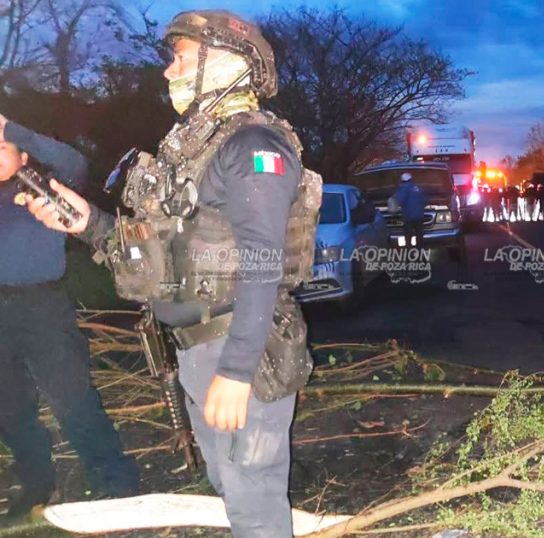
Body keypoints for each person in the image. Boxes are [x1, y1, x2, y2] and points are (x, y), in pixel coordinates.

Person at [26, 10, 320, 537]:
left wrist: (236, 370)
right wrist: (86, 221)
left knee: (255, 500)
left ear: (225, 63)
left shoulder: (254, 146)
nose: (168, 71)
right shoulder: (196, 149)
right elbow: (161, 247)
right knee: (229, 483)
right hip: (194, 348)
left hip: (242, 350)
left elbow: (262, 262)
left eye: (180, 57)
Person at [0, 113, 139, 521]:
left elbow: (74, 162)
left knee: (72, 397)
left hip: (42, 306)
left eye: (1, 150)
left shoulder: (44, 189)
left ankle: (115, 481)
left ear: (24, 156)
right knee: (9, 405)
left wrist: (8, 127)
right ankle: (36, 484)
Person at [392, 171, 427, 247]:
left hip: (408, 216)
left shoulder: (403, 188)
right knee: (419, 234)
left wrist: (395, 197)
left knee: (408, 235)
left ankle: (409, 253)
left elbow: (399, 201)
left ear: (402, 180)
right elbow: (425, 201)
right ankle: (420, 252)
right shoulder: (417, 187)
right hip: (419, 216)